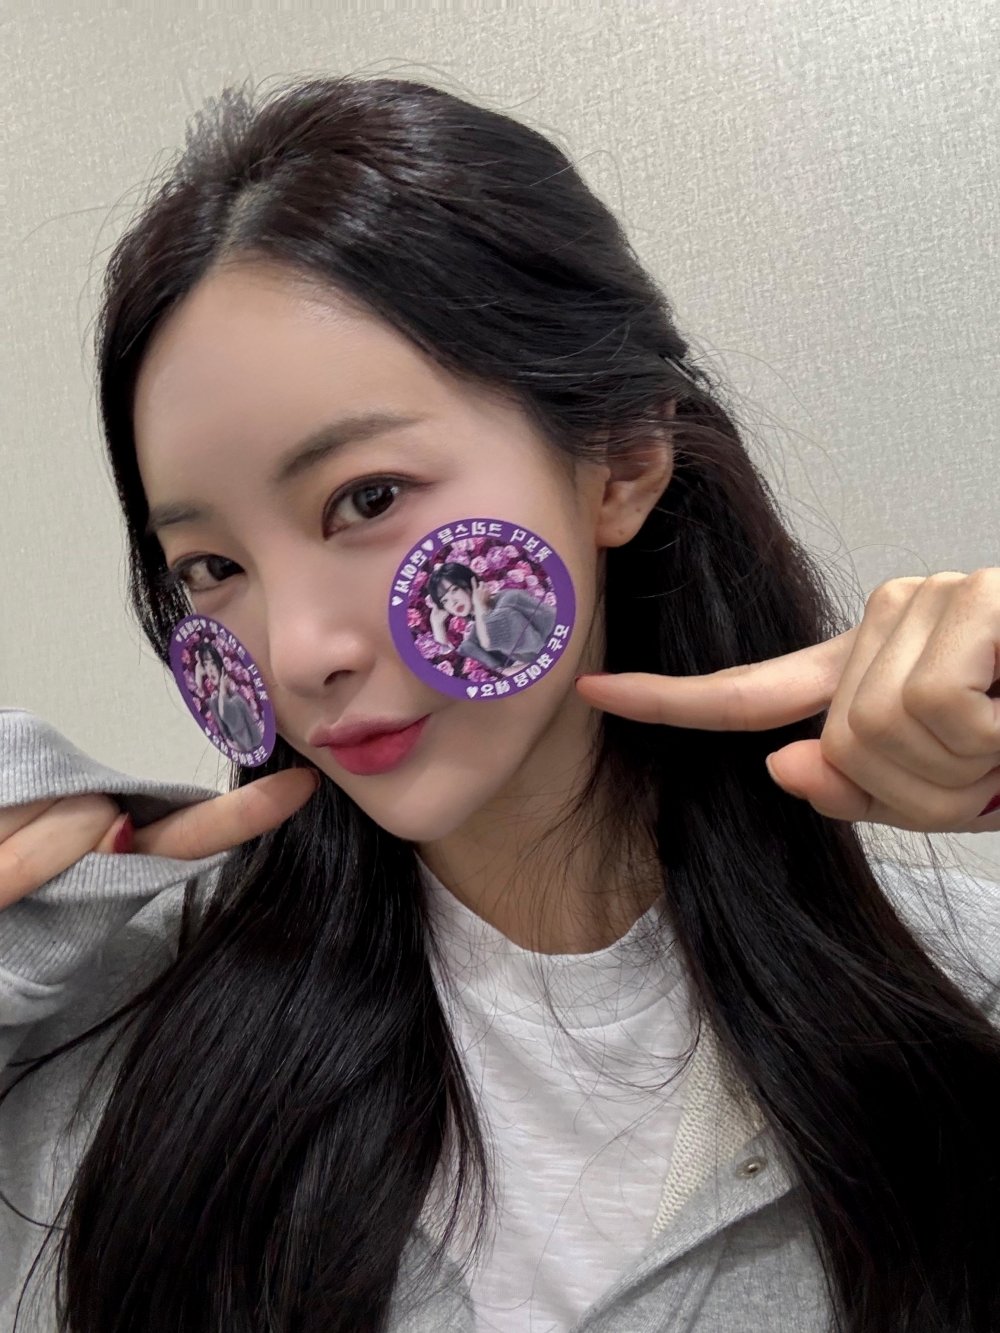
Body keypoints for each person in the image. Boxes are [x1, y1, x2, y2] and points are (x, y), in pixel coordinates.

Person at [2, 75, 1000, 1333]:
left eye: (367, 498)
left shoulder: (961, 1001)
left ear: (621, 460)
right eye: (211, 567)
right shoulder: (101, 1030)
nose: (299, 651)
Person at [426, 560, 557, 675]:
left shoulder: (509, 601)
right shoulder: (475, 636)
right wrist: (437, 626)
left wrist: (479, 606)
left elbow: (489, 640)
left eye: (454, 590)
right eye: (445, 601)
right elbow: (456, 669)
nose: (453, 602)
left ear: (470, 582)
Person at [193, 638, 264, 753]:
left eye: (213, 663)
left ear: (219, 663)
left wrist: (222, 691)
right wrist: (198, 677)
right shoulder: (213, 701)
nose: (210, 670)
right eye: (205, 665)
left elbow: (226, 714)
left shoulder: (236, 693)